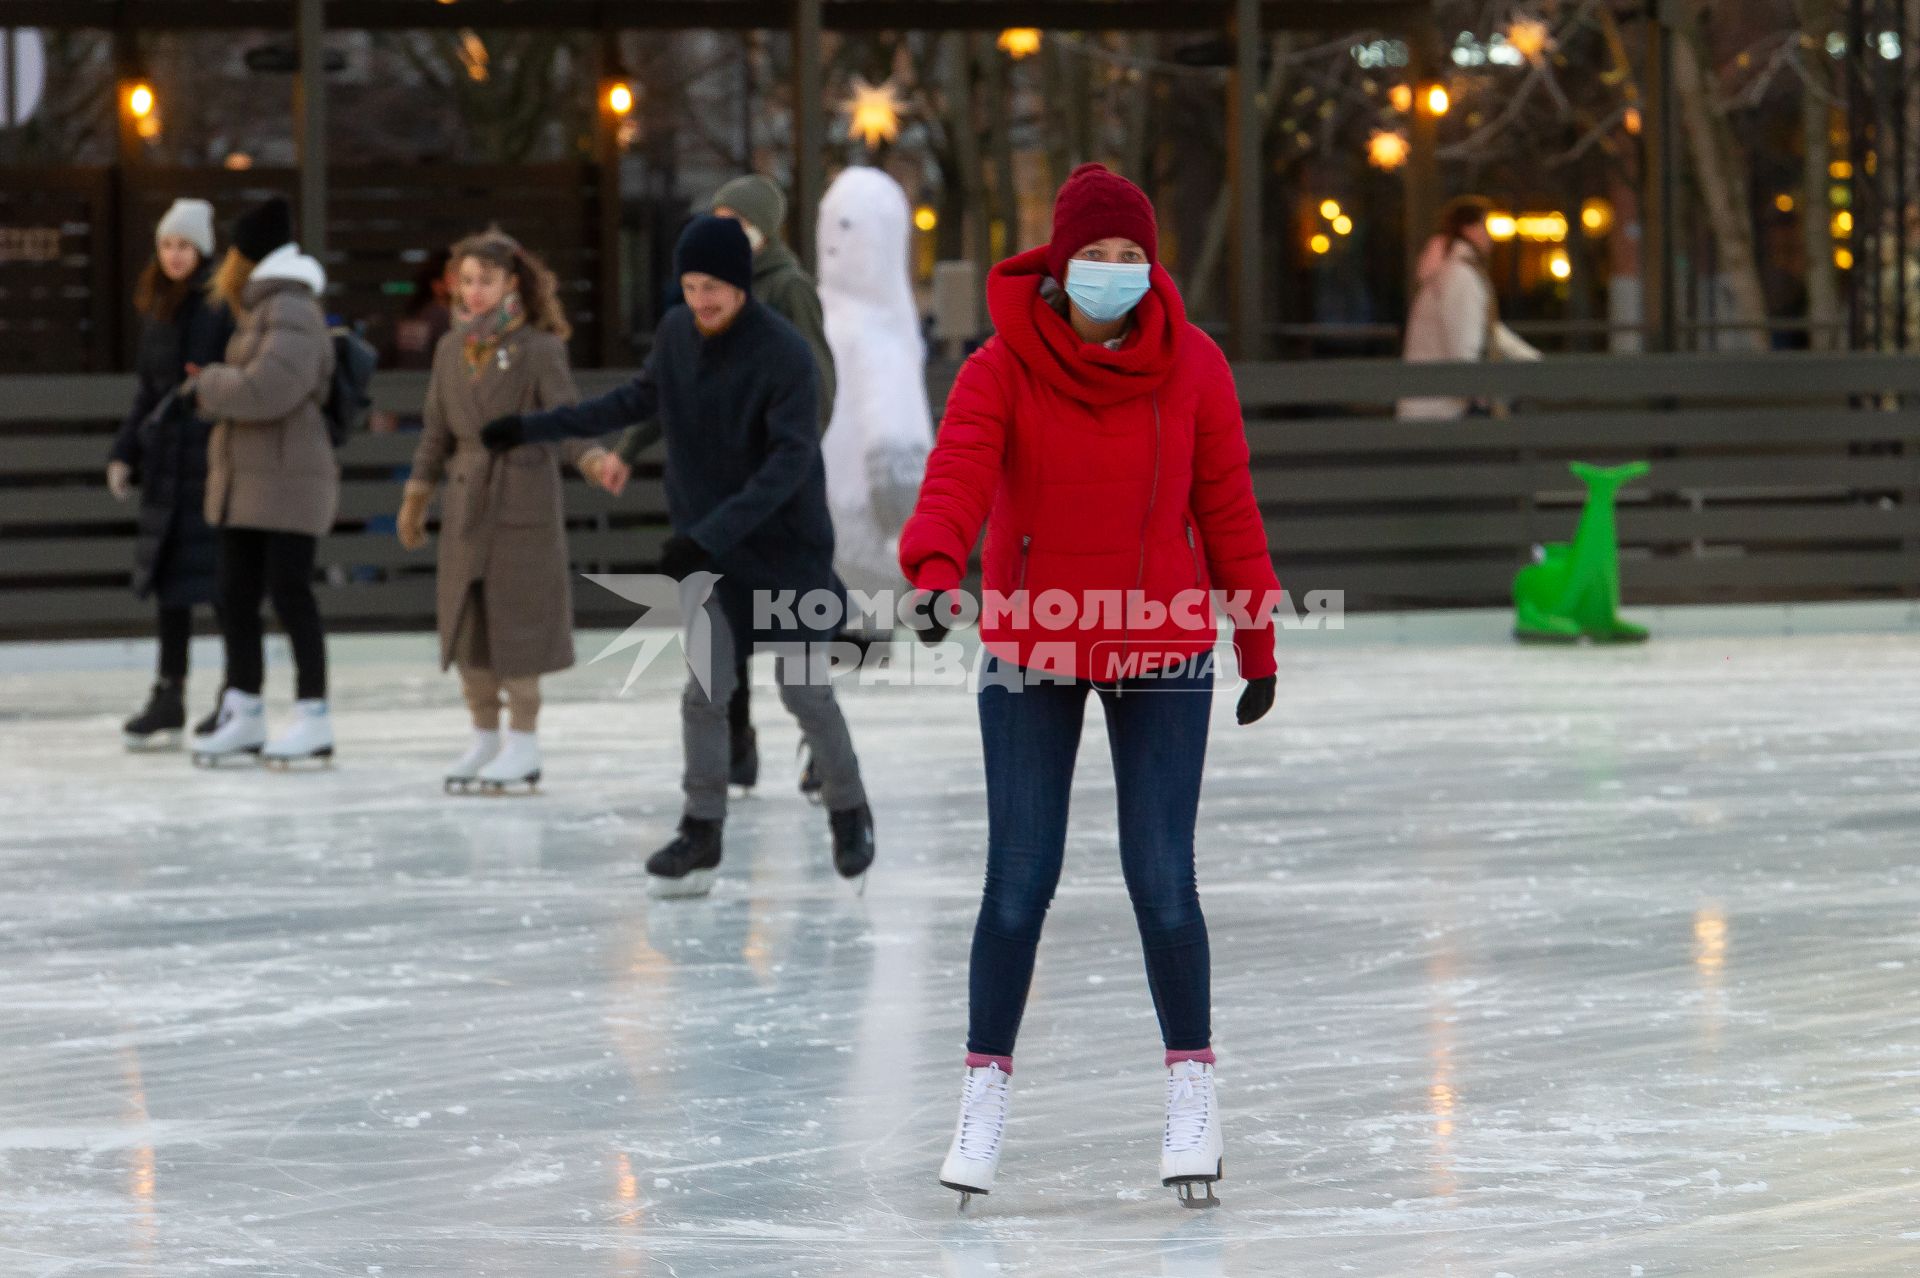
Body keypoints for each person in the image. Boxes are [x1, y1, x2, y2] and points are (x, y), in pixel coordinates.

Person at [896, 163, 1281, 1208]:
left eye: (1131, 256)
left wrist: (1258, 643)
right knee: (1018, 884)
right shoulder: (1000, 367)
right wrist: (934, 568)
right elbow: (960, 469)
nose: (1115, 272)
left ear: (1150, 265)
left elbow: (1229, 504)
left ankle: (1193, 1092)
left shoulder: (1194, 364)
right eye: (1096, 256)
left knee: (1162, 880)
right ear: (1060, 264)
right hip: (1034, 642)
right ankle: (982, 1096)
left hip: (1163, 643)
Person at [479, 216, 874, 897]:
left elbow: (787, 467)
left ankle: (848, 807)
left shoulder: (785, 356)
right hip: (711, 552)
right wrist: (530, 428)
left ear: (742, 284)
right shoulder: (675, 337)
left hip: (786, 553)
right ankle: (702, 828)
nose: (701, 300)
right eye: (690, 286)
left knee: (804, 690)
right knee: (706, 692)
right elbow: (632, 401)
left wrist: (705, 537)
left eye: (714, 286)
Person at [594, 174, 838, 799]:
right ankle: (735, 748)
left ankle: (820, 749)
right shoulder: (711, 294)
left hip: (769, 493)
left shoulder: (788, 290)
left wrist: (792, 454)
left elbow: (817, 382)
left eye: (740, 219)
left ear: (764, 229)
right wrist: (628, 448)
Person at [396, 229, 610, 793]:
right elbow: (436, 431)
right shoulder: (450, 349)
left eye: (486, 280)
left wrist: (590, 457)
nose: (474, 292)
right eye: (465, 281)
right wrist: (417, 495)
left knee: (518, 620)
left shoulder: (539, 348)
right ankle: (485, 733)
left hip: (522, 501)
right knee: (471, 623)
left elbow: (564, 421)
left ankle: (524, 739)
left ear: (512, 283)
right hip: (468, 501)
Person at [188, 196, 339, 767]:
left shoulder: (292, 309)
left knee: (290, 593)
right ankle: (245, 707)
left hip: (290, 479)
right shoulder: (263, 309)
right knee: (236, 597)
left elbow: (267, 389)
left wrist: (210, 385)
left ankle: (313, 714)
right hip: (253, 480)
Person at [108, 198, 235, 749]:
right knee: (172, 589)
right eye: (167, 245)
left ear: (203, 250)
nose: (174, 255)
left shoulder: (216, 306)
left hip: (207, 465)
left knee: (224, 585)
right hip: (165, 467)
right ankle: (169, 693)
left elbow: (221, 383)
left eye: (184, 245)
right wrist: (124, 453)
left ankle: (238, 692)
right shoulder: (158, 308)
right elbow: (148, 392)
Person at [1398, 195, 1542, 420]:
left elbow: (1485, 329)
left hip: (1433, 404)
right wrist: (1483, 393)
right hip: (1445, 411)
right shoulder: (1460, 277)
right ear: (1469, 229)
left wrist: (1530, 358)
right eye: (1486, 226)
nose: (1491, 237)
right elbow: (1464, 348)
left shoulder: (1451, 273)